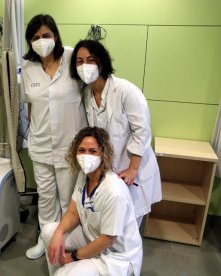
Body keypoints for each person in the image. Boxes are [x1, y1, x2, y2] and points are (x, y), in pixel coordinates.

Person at [69, 39, 162, 226]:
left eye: (90, 59)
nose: (84, 65)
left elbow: (142, 131)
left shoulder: (126, 91)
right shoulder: (87, 94)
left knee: (129, 225)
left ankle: (127, 255)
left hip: (133, 167)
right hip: (111, 169)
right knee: (113, 223)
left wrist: (133, 169)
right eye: (79, 61)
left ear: (101, 62)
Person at [21, 14, 88, 259]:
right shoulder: (28, 68)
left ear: (56, 36)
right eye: (36, 38)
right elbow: (30, 105)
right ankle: (45, 239)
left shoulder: (72, 58)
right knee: (46, 198)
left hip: (70, 146)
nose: (41, 41)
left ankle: (65, 243)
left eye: (46, 36)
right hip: (40, 146)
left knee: (67, 200)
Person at [42, 127, 143, 276]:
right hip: (92, 237)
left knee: (65, 274)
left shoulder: (114, 191)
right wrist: (58, 233)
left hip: (115, 256)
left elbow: (108, 240)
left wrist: (74, 256)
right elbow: (72, 212)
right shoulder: (84, 176)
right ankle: (60, 271)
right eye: (81, 150)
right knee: (48, 232)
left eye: (92, 151)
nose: (86, 155)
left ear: (103, 154)